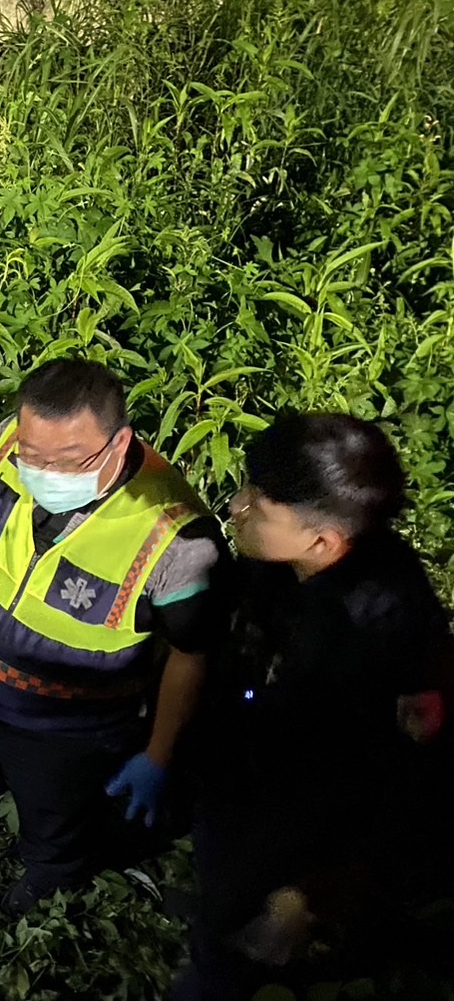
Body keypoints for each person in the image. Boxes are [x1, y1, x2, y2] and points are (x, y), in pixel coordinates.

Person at [0, 358, 229, 913]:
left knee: (52, 810)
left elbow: (191, 654)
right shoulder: (8, 442)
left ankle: (50, 879)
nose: (42, 471)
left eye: (66, 460)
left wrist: (158, 753)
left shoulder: (177, 540)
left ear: (118, 443)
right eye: (31, 455)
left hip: (64, 719)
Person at [170, 412, 454, 1000]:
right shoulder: (283, 561)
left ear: (323, 539)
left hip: (294, 824)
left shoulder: (388, 633)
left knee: (232, 944)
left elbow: (409, 788)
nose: (236, 506)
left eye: (258, 505)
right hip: (240, 769)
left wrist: (313, 891)